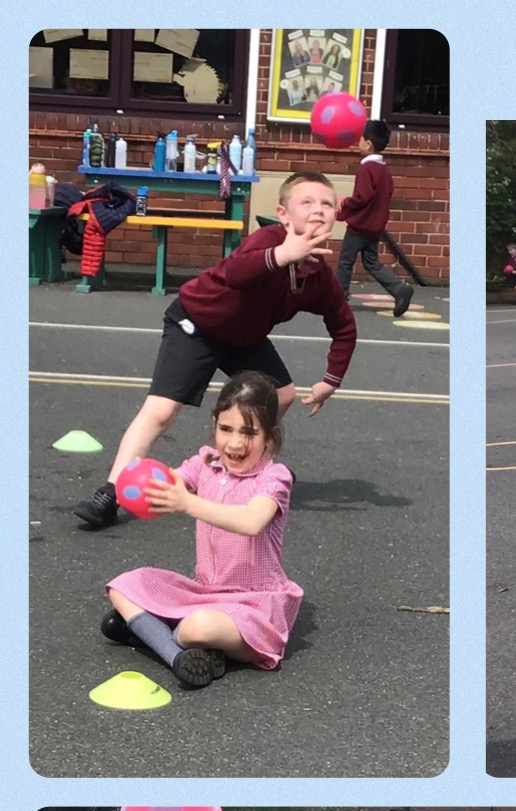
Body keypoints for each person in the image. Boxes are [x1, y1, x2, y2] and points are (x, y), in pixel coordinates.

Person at [75, 174, 354, 531]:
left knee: (281, 396)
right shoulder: (267, 241)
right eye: (307, 203)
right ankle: (111, 492)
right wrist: (285, 254)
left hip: (243, 337)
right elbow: (237, 273)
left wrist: (331, 380)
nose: (318, 210)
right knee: (161, 410)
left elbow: (344, 326)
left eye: (326, 204)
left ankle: (246, 470)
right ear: (284, 215)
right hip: (197, 323)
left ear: (336, 217)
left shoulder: (319, 277)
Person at [100, 372, 303, 690]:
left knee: (199, 627)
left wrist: (186, 504)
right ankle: (175, 647)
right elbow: (168, 482)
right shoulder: (206, 462)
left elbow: (250, 521)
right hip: (205, 594)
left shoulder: (274, 478)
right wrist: (142, 483)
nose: (235, 443)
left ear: (270, 438)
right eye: (226, 429)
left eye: (249, 432)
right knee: (122, 586)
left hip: (254, 604)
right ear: (214, 425)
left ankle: (157, 638)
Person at [335, 119, 414, 317]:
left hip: (359, 225)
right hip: (375, 226)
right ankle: (399, 289)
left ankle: (339, 298)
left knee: (346, 261)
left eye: (360, 139)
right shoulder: (384, 170)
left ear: (368, 143)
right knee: (371, 262)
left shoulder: (365, 169)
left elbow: (362, 197)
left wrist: (345, 203)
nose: (358, 143)